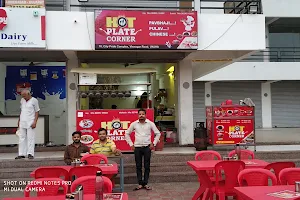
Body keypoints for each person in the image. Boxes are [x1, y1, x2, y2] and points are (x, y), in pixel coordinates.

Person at [125, 108, 161, 191]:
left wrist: (154, 143)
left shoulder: (150, 124)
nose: (141, 115)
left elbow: (158, 133)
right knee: (138, 166)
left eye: (143, 114)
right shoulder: (134, 124)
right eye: (140, 114)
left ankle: (146, 183)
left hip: (147, 147)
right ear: (138, 115)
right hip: (137, 148)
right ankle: (140, 183)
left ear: (145, 115)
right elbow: (127, 134)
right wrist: (131, 144)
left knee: (147, 166)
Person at [15, 89, 40, 160]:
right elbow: (21, 111)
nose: (24, 97)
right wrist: (19, 121)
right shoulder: (22, 100)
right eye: (22, 96)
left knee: (30, 138)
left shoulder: (34, 100)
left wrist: (35, 122)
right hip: (22, 122)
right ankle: (21, 153)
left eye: (25, 96)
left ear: (29, 94)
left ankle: (30, 153)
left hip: (30, 122)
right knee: (21, 138)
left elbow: (37, 112)